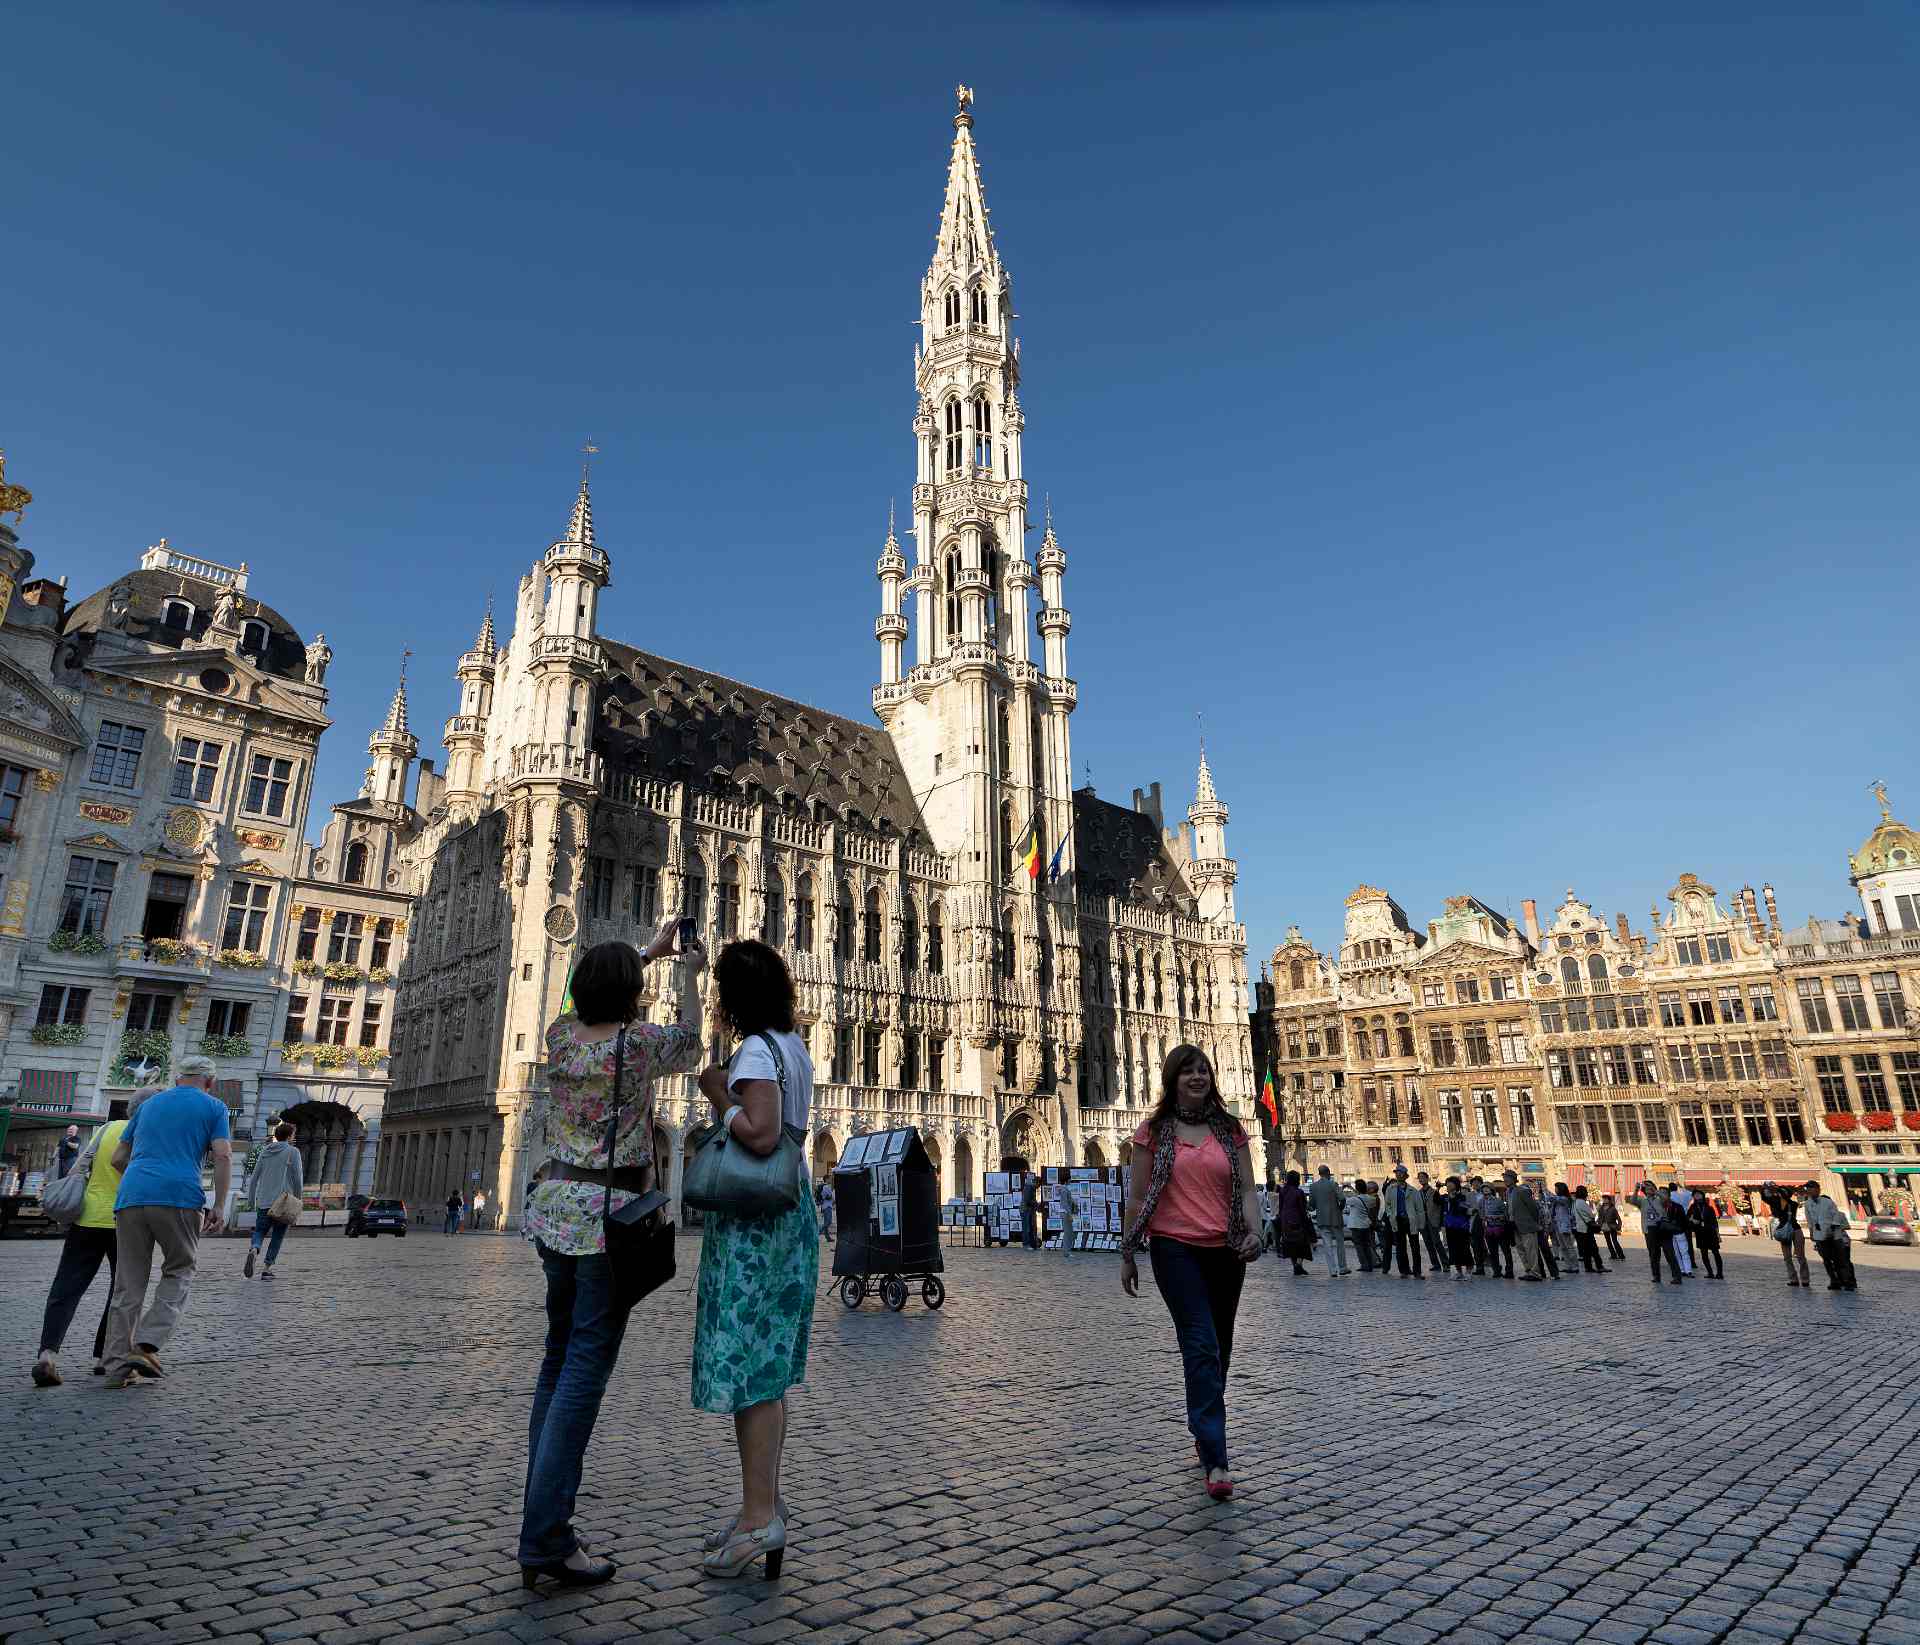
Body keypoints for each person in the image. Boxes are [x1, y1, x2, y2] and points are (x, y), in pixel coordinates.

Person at [519, 925, 704, 1591]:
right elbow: (691, 1039)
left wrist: (643, 953)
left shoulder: (560, 1037)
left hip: (555, 1207)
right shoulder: (638, 1045)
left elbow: (582, 984)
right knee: (581, 1373)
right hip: (606, 1219)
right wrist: (687, 969)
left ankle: (542, 1520)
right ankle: (546, 1536)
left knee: (554, 1359)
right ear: (631, 995)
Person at [692, 938, 819, 1580]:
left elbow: (761, 1132)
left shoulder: (752, 1051)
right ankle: (761, 1504)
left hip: (756, 1223)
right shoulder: (793, 1047)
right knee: (766, 1366)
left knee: (751, 1370)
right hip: (790, 1214)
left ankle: (757, 1517)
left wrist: (719, 1093)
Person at [1121, 1044, 1262, 1502]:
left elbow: (1245, 1189)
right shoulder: (1154, 1132)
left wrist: (1255, 1233)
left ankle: (1203, 1431)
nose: (1197, 1077)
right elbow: (1138, 1198)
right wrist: (1128, 1250)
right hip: (1173, 1248)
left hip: (1224, 1250)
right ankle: (1217, 1456)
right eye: (1188, 1071)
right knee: (1200, 1343)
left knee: (1218, 1347)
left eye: (1204, 1070)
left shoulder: (1229, 1130)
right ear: (1172, 1079)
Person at [101, 1057, 232, 1389]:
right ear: (210, 1082)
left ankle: (117, 1366)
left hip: (132, 1196)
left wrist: (141, 1179)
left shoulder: (149, 1105)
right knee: (179, 1268)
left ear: (176, 1080)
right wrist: (218, 1203)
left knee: (128, 1283)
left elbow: (118, 1158)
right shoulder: (214, 1107)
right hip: (179, 1197)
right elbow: (222, 1154)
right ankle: (145, 1345)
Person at [32, 1092, 161, 1386]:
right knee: (122, 1292)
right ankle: (105, 1357)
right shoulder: (150, 1135)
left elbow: (79, 1168)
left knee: (66, 1288)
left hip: (88, 1217)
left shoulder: (107, 1129)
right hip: (127, 1220)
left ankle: (47, 1355)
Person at [244, 1122, 303, 1280]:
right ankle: (267, 1268)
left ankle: (254, 1249)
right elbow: (297, 1179)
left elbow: (254, 1178)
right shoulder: (293, 1152)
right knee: (277, 1235)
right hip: (283, 1202)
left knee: (259, 1231)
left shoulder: (265, 1151)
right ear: (290, 1136)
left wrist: (251, 1200)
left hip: (264, 1201)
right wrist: (298, 1200)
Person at [1802, 1181, 1857, 1292]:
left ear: (1818, 1189)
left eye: (1811, 1188)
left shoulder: (1827, 1202)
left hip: (1834, 1235)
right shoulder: (1807, 1204)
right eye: (1807, 1189)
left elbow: (1836, 1216)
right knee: (1827, 1260)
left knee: (1840, 1260)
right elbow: (1810, 1220)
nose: (1809, 1191)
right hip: (1819, 1235)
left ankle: (1847, 1282)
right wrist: (1811, 1233)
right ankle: (1834, 1281)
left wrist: (1832, 1229)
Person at [1632, 1180, 1683, 1285]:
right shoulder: (1643, 1201)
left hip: (1662, 1229)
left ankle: (1677, 1276)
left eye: (1650, 1187)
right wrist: (1636, 1189)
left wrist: (1655, 1191)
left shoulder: (1660, 1199)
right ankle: (1656, 1275)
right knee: (1654, 1255)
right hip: (1649, 1230)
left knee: (1669, 1254)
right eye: (1646, 1188)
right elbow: (1633, 1200)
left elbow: (1666, 1199)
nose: (1648, 1189)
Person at [1759, 1182, 1810, 1287]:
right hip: (1796, 1229)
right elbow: (1767, 1198)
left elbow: (1765, 1197)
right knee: (1800, 1257)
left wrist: (1765, 1188)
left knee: (1788, 1257)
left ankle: (1794, 1279)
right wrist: (1775, 1190)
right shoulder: (1792, 1204)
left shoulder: (1777, 1204)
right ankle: (1805, 1280)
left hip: (1785, 1230)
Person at [1379, 1164, 1426, 1278]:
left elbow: (1419, 1209)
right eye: (1397, 1173)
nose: (1398, 1174)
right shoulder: (1391, 1189)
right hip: (1397, 1220)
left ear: (1405, 1176)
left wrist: (1421, 1224)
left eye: (1400, 1173)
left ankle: (1417, 1271)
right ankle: (1404, 1270)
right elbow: (1388, 1205)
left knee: (1415, 1247)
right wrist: (1390, 1215)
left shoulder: (1413, 1191)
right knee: (1401, 1247)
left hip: (1410, 1220)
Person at [1308, 1164, 1349, 1277]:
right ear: (1328, 1173)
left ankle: (1332, 1270)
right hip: (1336, 1218)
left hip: (1322, 1219)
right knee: (1340, 1243)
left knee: (1327, 1245)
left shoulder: (1313, 1186)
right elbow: (1342, 1198)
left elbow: (1311, 1205)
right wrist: (1339, 1209)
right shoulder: (1333, 1184)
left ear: (1319, 1173)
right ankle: (1342, 1267)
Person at [1505, 1171, 1544, 1281]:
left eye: (1507, 1178)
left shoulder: (1522, 1191)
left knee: (1530, 1250)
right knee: (1521, 1249)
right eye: (1504, 1178)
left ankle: (1535, 1272)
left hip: (1526, 1225)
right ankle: (1528, 1270)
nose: (1505, 1180)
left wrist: (1534, 1223)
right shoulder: (1508, 1192)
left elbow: (1533, 1208)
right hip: (1514, 1225)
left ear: (1513, 1179)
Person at [1274, 1170, 1313, 1276]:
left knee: (1290, 1243)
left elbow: (1281, 1206)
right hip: (1297, 1220)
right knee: (1302, 1243)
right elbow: (1302, 1207)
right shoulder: (1298, 1192)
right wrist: (1305, 1219)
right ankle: (1298, 1265)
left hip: (1285, 1220)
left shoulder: (1282, 1191)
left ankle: (1295, 1265)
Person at [1415, 1170, 1448, 1273]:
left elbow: (1439, 1205)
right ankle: (1435, 1264)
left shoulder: (1434, 1192)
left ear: (1427, 1179)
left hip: (1432, 1220)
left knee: (1437, 1242)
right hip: (1423, 1221)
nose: (1421, 1179)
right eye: (1419, 1178)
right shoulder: (1418, 1193)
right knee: (1428, 1244)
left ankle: (1445, 1264)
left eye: (1423, 1177)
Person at [1686, 1189, 1724, 1280]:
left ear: (1702, 1196)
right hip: (1700, 1233)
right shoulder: (1692, 1207)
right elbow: (1687, 1219)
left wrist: (1718, 1234)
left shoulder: (1709, 1208)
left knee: (1716, 1253)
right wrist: (1692, 1221)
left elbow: (1715, 1222)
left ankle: (1719, 1273)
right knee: (1704, 1254)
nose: (1697, 1196)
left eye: (1699, 1194)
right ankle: (1710, 1272)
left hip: (1711, 1233)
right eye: (1695, 1195)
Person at [1440, 1179, 1475, 1278]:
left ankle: (1469, 1270)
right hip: (1450, 1226)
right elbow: (1436, 1200)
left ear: (1456, 1185)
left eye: (1450, 1184)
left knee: (1464, 1248)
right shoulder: (1445, 1197)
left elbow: (1464, 1209)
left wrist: (1454, 1198)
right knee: (1453, 1249)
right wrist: (1438, 1188)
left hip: (1461, 1226)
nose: (1448, 1186)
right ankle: (1458, 1271)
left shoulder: (1462, 1196)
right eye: (1447, 1184)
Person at [1570, 1186, 1607, 1274]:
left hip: (1580, 1229)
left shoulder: (1575, 1203)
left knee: (1586, 1250)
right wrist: (1595, 1209)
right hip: (1586, 1229)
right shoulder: (1582, 1203)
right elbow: (1591, 1215)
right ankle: (1599, 1266)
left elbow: (1573, 1214)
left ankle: (1588, 1267)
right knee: (1594, 1249)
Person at [1344, 1178, 1378, 1273]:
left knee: (1359, 1246)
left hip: (1356, 1226)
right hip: (1366, 1225)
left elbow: (1344, 1200)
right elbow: (1361, 1195)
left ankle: (1364, 1264)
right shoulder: (1372, 1199)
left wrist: (1345, 1188)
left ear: (1357, 1189)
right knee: (1367, 1245)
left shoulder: (1354, 1200)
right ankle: (1370, 1264)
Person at [1482, 1184, 1514, 1279]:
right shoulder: (1481, 1202)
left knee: (1506, 1251)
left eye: (1487, 1190)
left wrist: (1495, 1217)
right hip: (1489, 1230)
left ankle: (1509, 1271)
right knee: (1492, 1252)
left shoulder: (1498, 1201)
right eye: (1484, 1191)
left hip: (1500, 1229)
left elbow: (1505, 1215)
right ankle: (1496, 1270)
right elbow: (1481, 1214)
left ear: (1491, 1191)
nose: (1486, 1193)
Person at [1549, 1184, 1579, 1273]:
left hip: (1564, 1226)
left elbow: (1554, 1198)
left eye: (1556, 1188)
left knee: (1569, 1246)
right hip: (1557, 1225)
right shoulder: (1558, 1200)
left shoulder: (1565, 1199)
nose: (1555, 1190)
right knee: (1563, 1247)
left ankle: (1575, 1266)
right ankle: (1568, 1265)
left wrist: (1545, 1189)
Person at [1597, 1194, 1625, 1262]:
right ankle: (1613, 1255)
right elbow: (1599, 1217)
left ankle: (1621, 1255)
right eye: (1603, 1199)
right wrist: (1598, 1224)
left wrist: (1619, 1226)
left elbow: (1618, 1218)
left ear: (1609, 1200)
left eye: (1606, 1199)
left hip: (1612, 1226)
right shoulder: (1601, 1208)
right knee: (1608, 1242)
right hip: (1604, 1227)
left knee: (1614, 1241)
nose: (1604, 1200)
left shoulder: (1613, 1209)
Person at [1055, 1179, 1077, 1254]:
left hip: (1065, 1213)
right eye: (1069, 1179)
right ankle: (1066, 1251)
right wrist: (1070, 1214)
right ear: (1066, 1180)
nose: (1070, 1181)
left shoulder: (1063, 1189)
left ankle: (1067, 1250)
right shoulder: (1064, 1190)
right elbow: (1065, 1204)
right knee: (1068, 1233)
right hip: (1066, 1213)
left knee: (1069, 1232)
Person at [1019, 1172, 1040, 1250]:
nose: (1038, 1187)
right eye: (1038, 1185)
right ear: (1035, 1182)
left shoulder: (1031, 1188)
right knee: (1026, 1227)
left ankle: (1032, 1243)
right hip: (1025, 1210)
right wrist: (1036, 1204)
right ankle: (1026, 1244)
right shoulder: (1029, 1187)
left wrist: (1036, 1204)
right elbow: (1028, 1201)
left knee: (1030, 1227)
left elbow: (1031, 1200)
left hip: (1028, 1210)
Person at [817, 1174, 835, 1244]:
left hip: (825, 1206)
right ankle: (817, 1232)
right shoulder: (826, 1186)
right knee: (828, 1222)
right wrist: (831, 1197)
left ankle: (828, 1238)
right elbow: (826, 1196)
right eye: (829, 1178)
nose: (830, 1179)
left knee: (826, 1222)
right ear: (826, 1179)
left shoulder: (824, 1186)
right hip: (827, 1206)